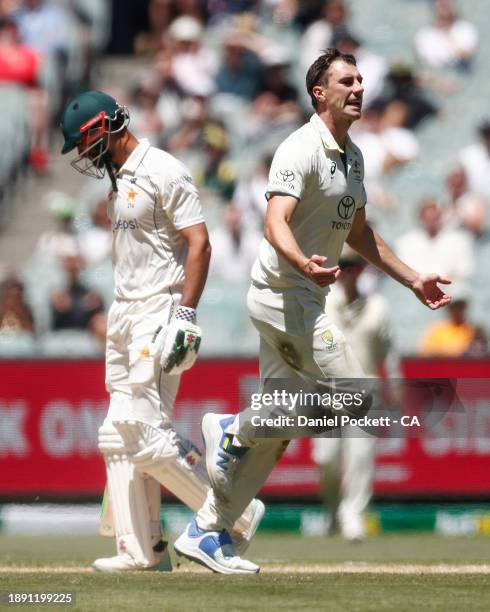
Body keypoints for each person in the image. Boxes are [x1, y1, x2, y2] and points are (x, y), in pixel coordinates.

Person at [174, 48, 451, 574]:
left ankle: (206, 532)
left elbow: (360, 232)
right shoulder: (298, 147)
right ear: (319, 93)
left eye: (361, 80)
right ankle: (233, 427)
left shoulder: (353, 156)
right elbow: (273, 219)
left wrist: (413, 277)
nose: (359, 88)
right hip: (284, 295)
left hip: (305, 295)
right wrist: (302, 259)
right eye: (346, 81)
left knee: (280, 430)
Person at [60, 90, 264, 572]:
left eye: (85, 143)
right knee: (116, 435)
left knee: (147, 434)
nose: (85, 155)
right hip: (125, 313)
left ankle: (232, 514)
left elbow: (200, 244)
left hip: (161, 309)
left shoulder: (164, 169)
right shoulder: (120, 181)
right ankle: (141, 551)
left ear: (103, 128)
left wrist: (186, 316)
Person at [311, 248, 392, 541]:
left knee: (361, 458)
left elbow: (388, 350)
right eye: (342, 265)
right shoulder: (323, 303)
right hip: (328, 389)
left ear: (361, 269)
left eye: (353, 265)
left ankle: (354, 514)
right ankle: (333, 509)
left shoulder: (378, 306)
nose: (347, 271)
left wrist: (395, 385)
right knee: (327, 458)